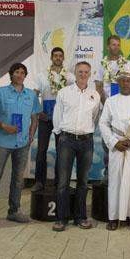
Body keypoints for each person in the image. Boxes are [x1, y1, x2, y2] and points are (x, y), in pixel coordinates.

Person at [0, 63, 41, 227]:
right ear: (11, 74)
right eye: (17, 72)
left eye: (23, 72)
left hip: (22, 144)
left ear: (25, 75)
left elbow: (35, 118)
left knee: (17, 180)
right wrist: (3, 126)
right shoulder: (0, 92)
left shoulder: (30, 95)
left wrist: (30, 136)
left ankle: (14, 211)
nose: (20, 74)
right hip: (2, 142)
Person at [52, 61, 101, 232]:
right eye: (80, 71)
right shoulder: (64, 93)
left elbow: (93, 117)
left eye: (86, 72)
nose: (83, 74)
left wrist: (86, 131)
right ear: (75, 72)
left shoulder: (95, 95)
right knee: (63, 181)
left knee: (83, 181)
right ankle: (61, 218)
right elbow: (57, 115)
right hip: (67, 139)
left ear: (90, 74)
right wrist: (61, 135)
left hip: (86, 141)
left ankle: (80, 217)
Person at [99, 72, 130, 231]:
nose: (126, 83)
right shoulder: (111, 101)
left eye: (129, 81)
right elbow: (103, 124)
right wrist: (114, 142)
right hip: (117, 146)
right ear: (118, 84)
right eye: (123, 81)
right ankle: (114, 217)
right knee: (116, 182)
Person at [32, 47, 75, 192]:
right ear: (51, 58)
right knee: (41, 150)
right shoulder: (42, 76)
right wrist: (38, 112)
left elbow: (74, 96)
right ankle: (39, 182)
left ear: (63, 58)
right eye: (55, 55)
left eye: (60, 56)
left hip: (62, 119)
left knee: (62, 151)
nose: (58, 58)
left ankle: (60, 183)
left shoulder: (70, 77)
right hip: (45, 117)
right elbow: (34, 95)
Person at [95, 35, 130, 180]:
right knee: (108, 140)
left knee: (123, 138)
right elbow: (98, 86)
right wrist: (107, 103)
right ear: (108, 46)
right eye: (113, 44)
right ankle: (108, 173)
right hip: (106, 106)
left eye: (118, 44)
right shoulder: (101, 64)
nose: (116, 47)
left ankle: (124, 174)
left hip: (123, 109)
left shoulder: (128, 63)